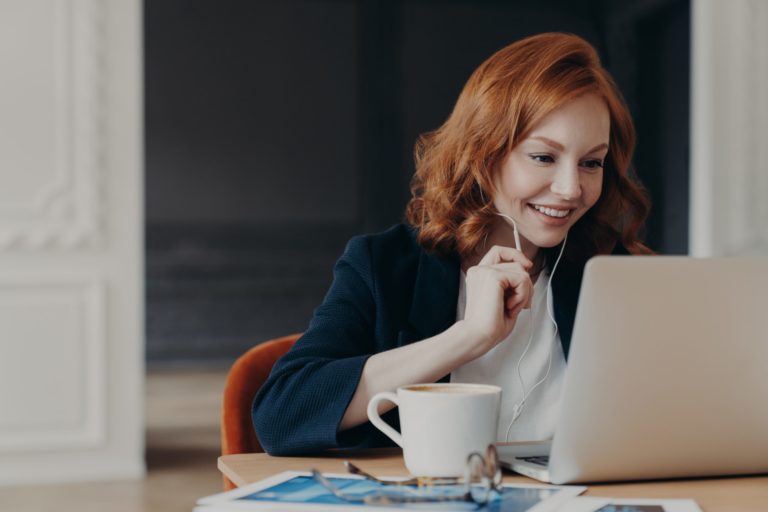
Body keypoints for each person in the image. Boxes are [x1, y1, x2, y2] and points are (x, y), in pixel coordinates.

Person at [252, 32, 651, 455]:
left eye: (591, 163)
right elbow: (281, 417)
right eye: (543, 157)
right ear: (484, 153)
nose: (571, 189)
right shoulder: (383, 265)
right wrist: (468, 337)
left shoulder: (612, 269)